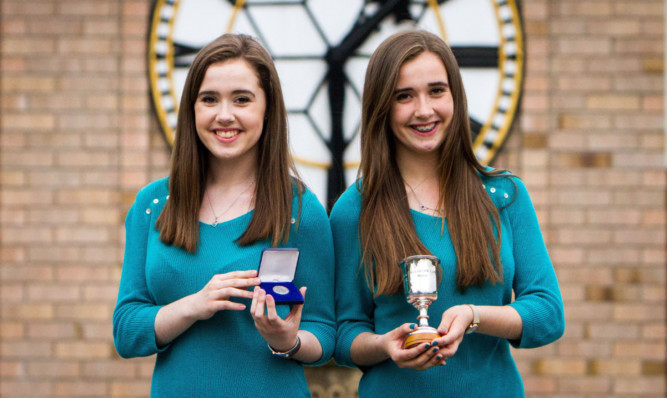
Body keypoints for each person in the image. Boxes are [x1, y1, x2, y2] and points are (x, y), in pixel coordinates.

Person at [330, 30, 564, 397]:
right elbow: (344, 334)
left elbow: (548, 313)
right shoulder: (354, 209)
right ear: (381, 108)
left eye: (436, 91)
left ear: (455, 95)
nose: (424, 110)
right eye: (403, 96)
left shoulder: (504, 195)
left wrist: (474, 316)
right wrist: (385, 346)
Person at [113, 34, 335, 397]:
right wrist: (193, 306)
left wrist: (288, 340)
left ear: (267, 109)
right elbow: (126, 332)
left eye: (242, 99)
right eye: (209, 99)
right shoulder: (151, 205)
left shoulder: (300, 210)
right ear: (192, 110)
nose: (224, 115)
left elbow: (326, 332)